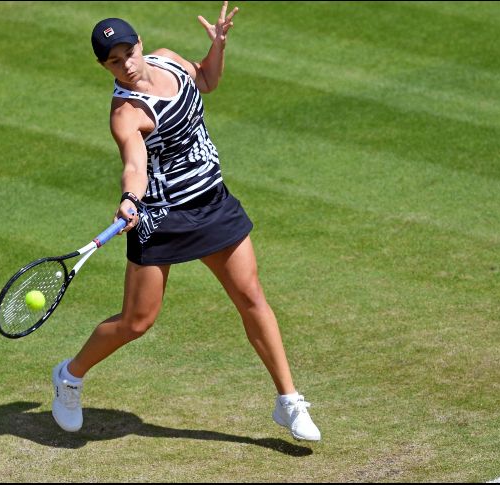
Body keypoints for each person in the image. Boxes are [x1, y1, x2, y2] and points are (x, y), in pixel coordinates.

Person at [51, 1, 321, 442]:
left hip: (213, 203)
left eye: (128, 53)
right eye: (114, 62)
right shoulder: (126, 113)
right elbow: (134, 165)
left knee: (251, 297)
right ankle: (70, 375)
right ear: (105, 67)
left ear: (140, 44)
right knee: (137, 322)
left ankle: (288, 400)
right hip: (162, 218)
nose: (126, 65)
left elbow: (207, 81)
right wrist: (130, 199)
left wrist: (218, 47)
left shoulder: (169, 60)